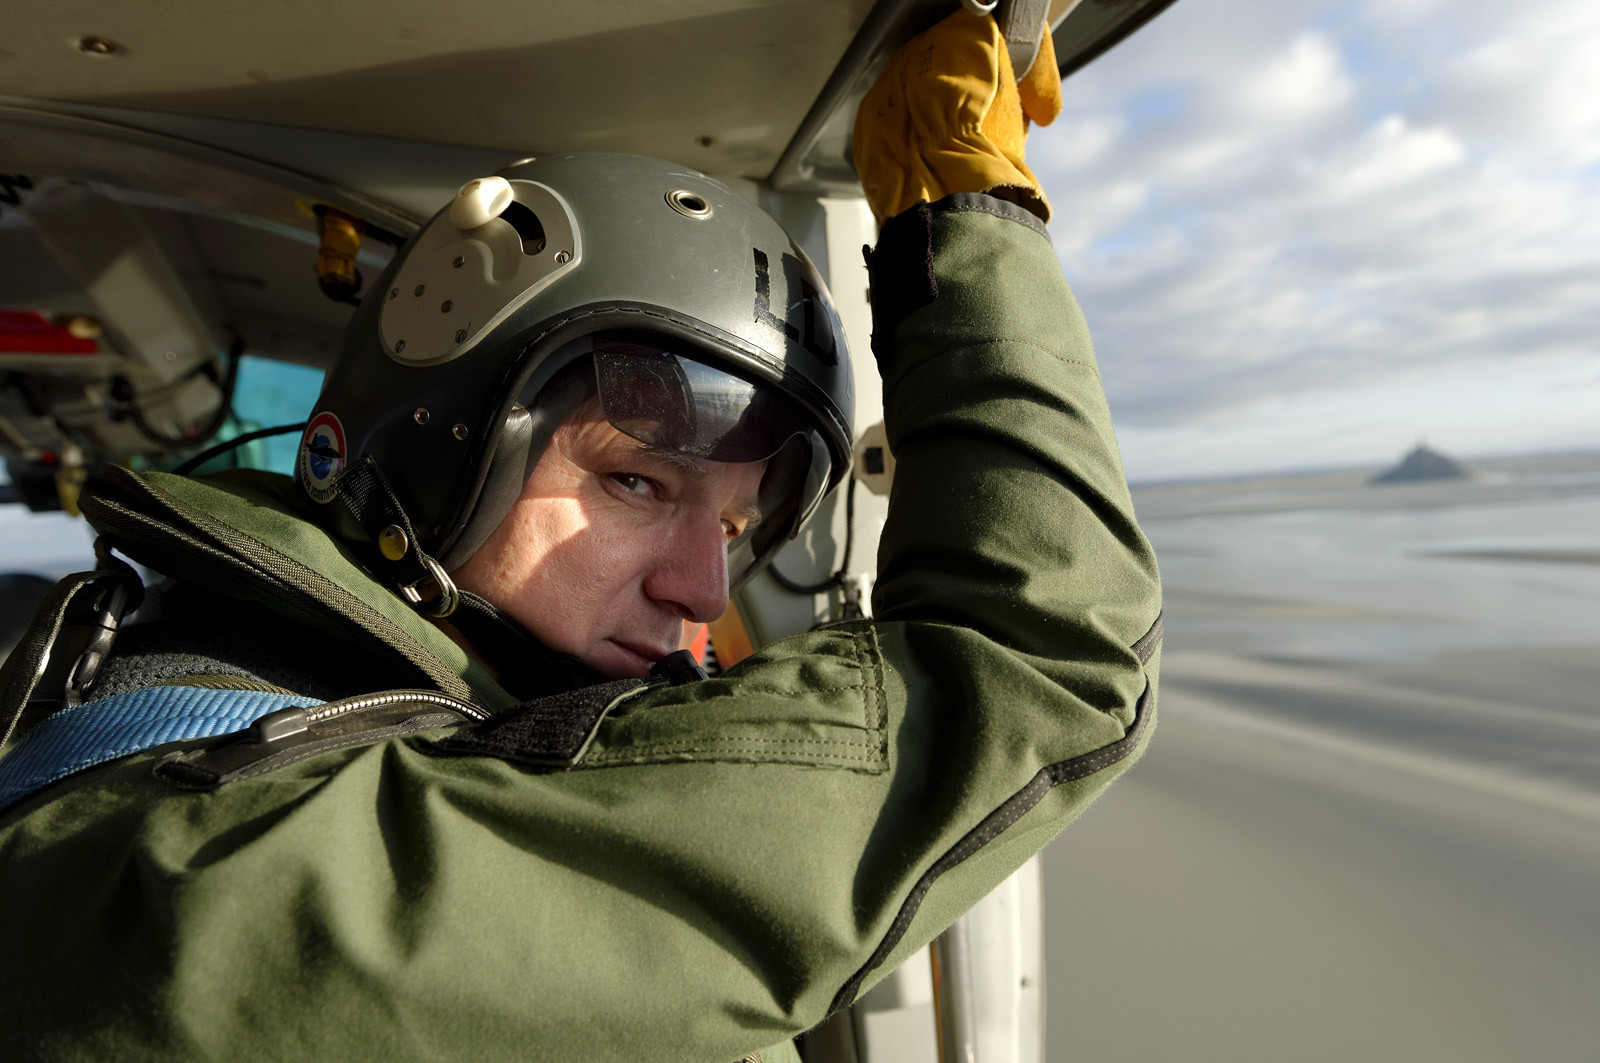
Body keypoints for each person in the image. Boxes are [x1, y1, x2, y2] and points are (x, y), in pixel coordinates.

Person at [0, 11, 1161, 1062]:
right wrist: (967, 219)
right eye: (639, 483)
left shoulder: (383, 747)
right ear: (430, 452)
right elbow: (1041, 655)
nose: (703, 589)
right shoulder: (204, 883)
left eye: (740, 523)